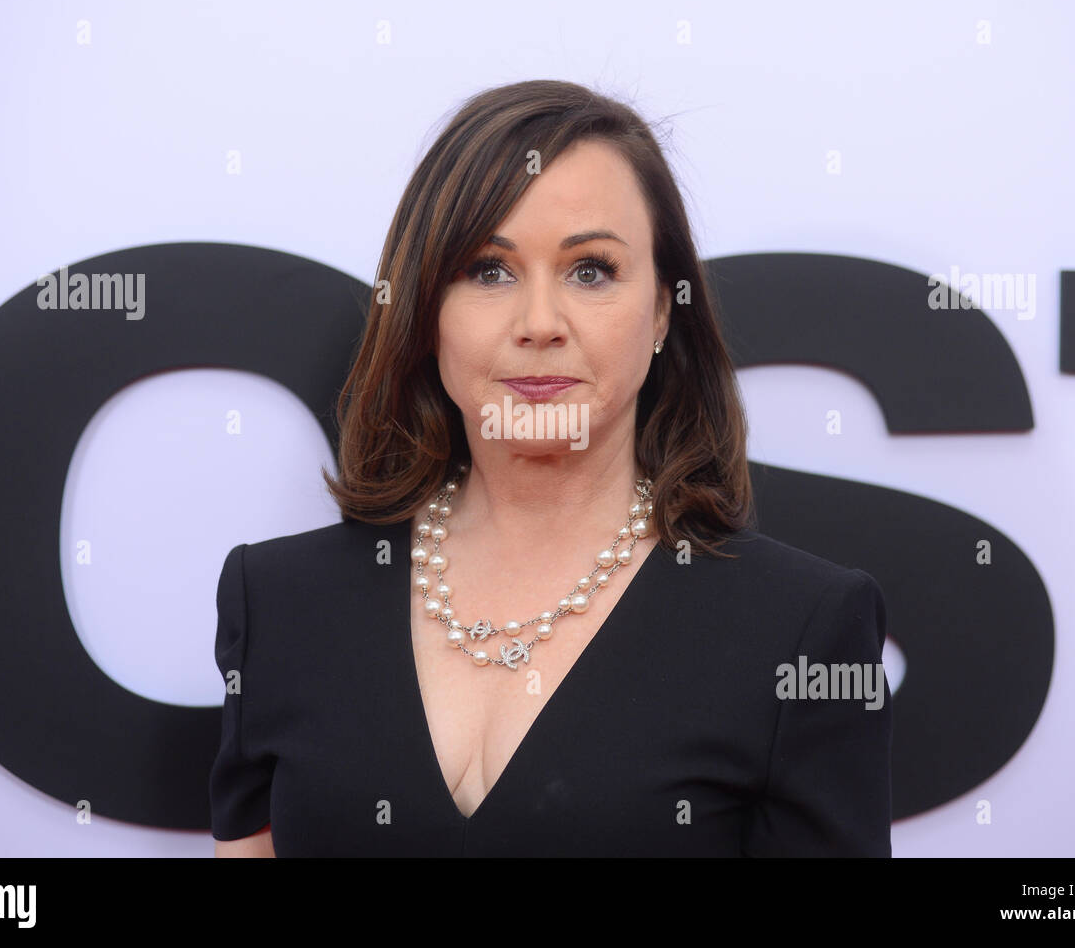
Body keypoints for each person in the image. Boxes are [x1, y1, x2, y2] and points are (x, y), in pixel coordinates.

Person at [210, 79, 892, 857]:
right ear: (426, 308)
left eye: (591, 270)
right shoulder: (280, 605)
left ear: (664, 310)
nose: (540, 324)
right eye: (489, 271)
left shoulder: (801, 629)